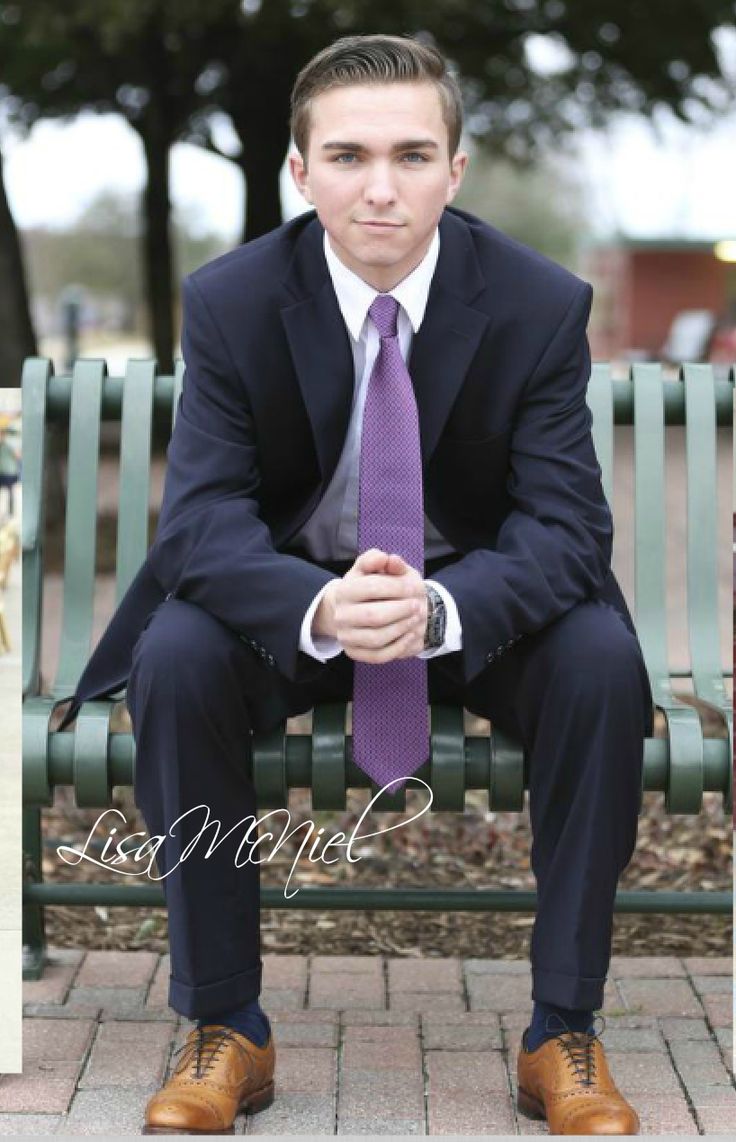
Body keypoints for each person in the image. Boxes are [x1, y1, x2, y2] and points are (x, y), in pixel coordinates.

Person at [61, 33, 654, 1136]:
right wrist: (319, 605)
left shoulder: (534, 304)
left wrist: (436, 606)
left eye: (412, 154)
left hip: (473, 606)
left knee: (601, 661)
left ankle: (560, 1031)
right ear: (300, 172)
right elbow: (201, 519)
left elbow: (567, 528)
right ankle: (222, 1022)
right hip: (295, 607)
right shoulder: (235, 299)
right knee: (177, 655)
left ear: (456, 169)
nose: (380, 187)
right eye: (346, 155)